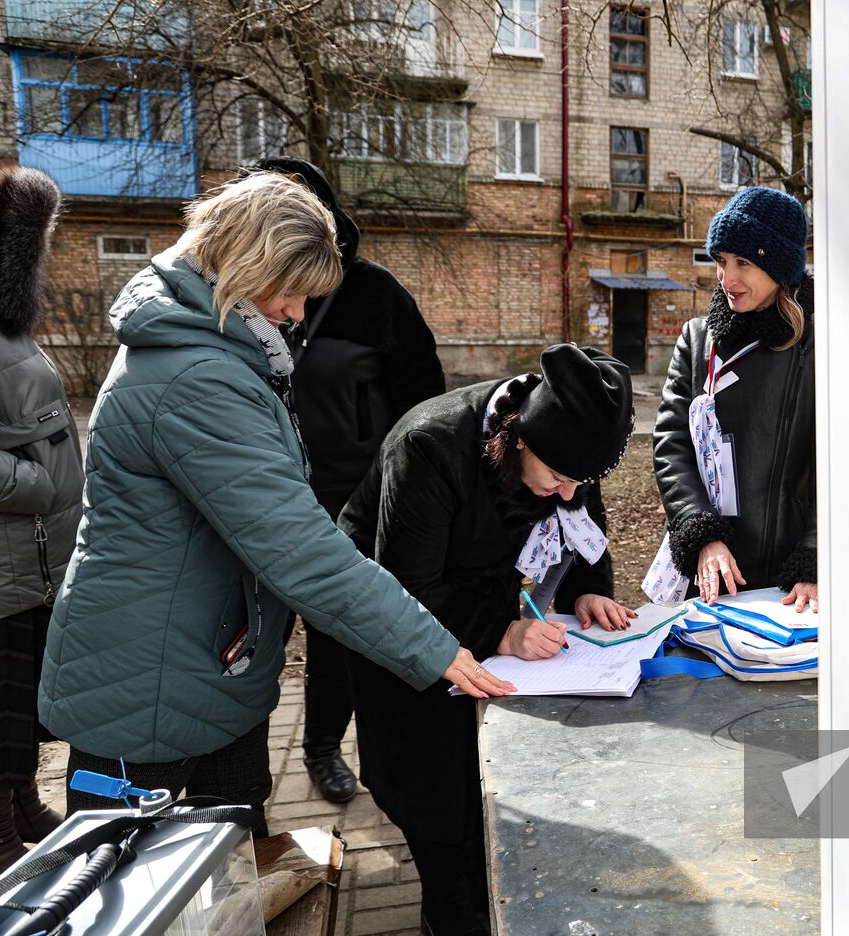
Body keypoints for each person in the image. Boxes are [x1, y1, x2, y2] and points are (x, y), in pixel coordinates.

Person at [38, 172, 512, 836]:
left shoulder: (218, 350)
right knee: (141, 895)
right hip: (148, 695)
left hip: (204, 673)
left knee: (231, 877)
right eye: (291, 293)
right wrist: (437, 649)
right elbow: (299, 551)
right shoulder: (195, 377)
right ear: (245, 266)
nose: (296, 313)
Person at [337, 344, 636, 936]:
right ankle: (448, 910)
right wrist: (501, 630)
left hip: (477, 597)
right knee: (435, 793)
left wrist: (587, 589)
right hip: (396, 617)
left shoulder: (569, 451)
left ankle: (482, 885)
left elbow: (580, 522)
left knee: (480, 784)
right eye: (558, 477)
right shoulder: (428, 447)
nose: (571, 493)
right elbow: (407, 590)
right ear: (522, 437)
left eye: (584, 480)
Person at [252, 156, 447, 805]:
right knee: (250, 644)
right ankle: (243, 777)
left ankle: (320, 747)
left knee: (336, 635)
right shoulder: (238, 299)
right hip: (260, 506)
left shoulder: (374, 295)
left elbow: (423, 402)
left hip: (349, 503)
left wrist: (396, 488)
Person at [648, 186, 817, 610]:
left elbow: (840, 461)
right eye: (722, 261)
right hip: (710, 570)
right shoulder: (697, 338)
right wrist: (702, 535)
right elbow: (672, 445)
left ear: (779, 267)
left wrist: (814, 560)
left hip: (791, 582)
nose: (728, 278)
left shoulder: (822, 344)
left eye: (744, 262)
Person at [0, 166, 82, 875]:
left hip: (28, 560)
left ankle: (22, 802)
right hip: (0, 562)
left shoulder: (5, 327)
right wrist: (37, 481)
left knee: (18, 704)